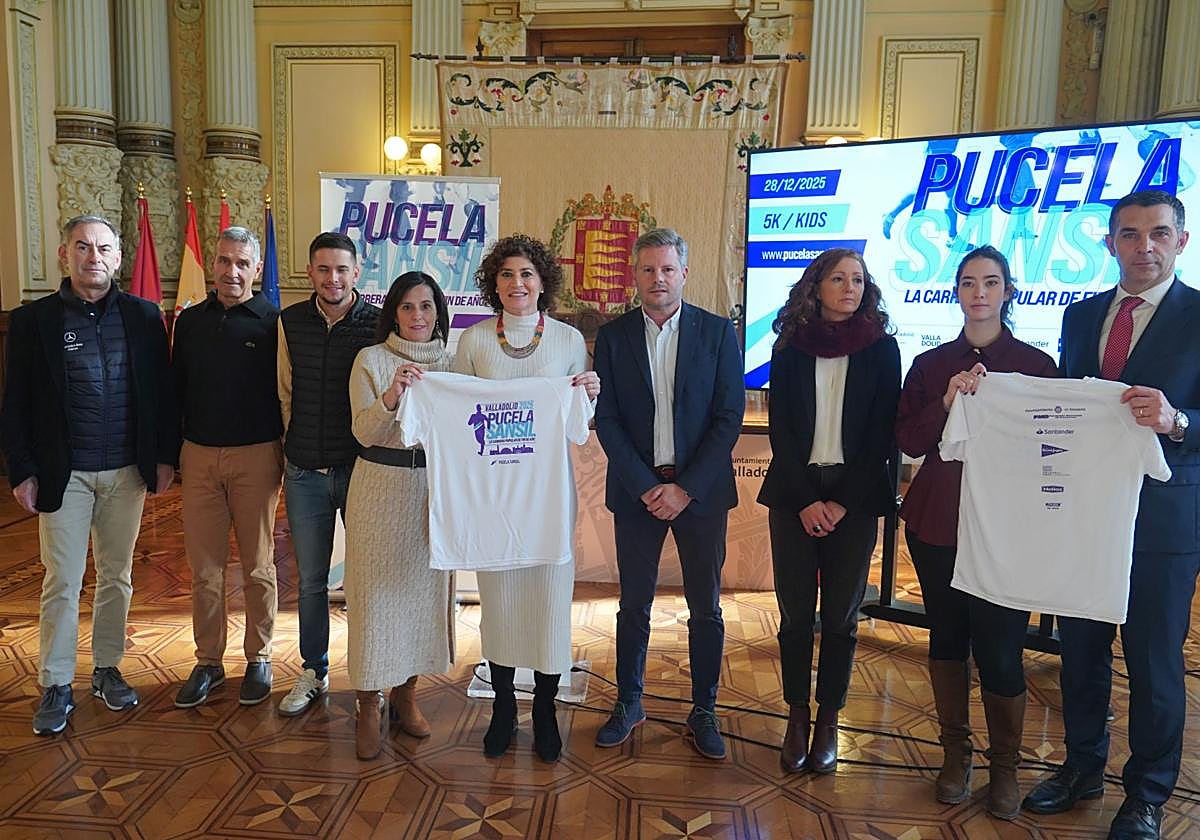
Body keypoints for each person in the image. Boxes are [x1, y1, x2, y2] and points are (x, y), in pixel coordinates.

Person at [1022, 190, 1199, 840]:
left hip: (1162, 523)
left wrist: (1179, 421)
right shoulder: (1080, 314)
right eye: (1129, 234)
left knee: (1154, 663)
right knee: (1082, 653)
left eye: (1158, 233)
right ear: (1110, 243)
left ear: (1180, 241)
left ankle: (1148, 795)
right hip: (1087, 515)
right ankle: (1081, 767)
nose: (1143, 246)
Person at [0, 215, 177, 735]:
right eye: (82, 247)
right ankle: (55, 683)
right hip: (65, 474)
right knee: (63, 580)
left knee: (117, 576)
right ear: (64, 254)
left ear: (118, 258)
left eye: (102, 248)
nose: (92, 256)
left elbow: (161, 397)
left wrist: (163, 456)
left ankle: (107, 668)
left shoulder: (146, 317)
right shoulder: (34, 322)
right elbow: (15, 405)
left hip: (126, 472)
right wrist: (23, 471)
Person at [896, 246, 1056, 817]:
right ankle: (955, 756)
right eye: (968, 283)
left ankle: (1005, 768)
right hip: (938, 520)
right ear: (956, 292)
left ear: (1008, 291)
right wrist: (945, 402)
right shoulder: (930, 364)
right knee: (947, 638)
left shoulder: (1036, 366)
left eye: (991, 283)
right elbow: (911, 441)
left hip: (1006, 529)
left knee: (1002, 647)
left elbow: (1051, 452)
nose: (979, 292)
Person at [593, 227, 744, 760]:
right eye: (648, 269)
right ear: (634, 276)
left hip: (700, 493)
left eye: (668, 269)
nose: (659, 278)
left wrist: (686, 489)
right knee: (633, 604)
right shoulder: (612, 339)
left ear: (685, 272)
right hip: (637, 493)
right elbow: (605, 419)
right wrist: (647, 486)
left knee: (706, 609)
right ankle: (629, 701)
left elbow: (730, 418)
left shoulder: (717, 332)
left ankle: (704, 709)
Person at [452, 234, 600, 763]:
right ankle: (503, 709)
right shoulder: (471, 342)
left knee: (548, 604)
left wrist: (588, 393)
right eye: (508, 274)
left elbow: (580, 429)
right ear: (494, 283)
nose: (518, 283)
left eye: (528, 274)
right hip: (493, 500)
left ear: (543, 283)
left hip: (547, 500)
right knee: (501, 606)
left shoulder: (566, 341)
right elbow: (454, 413)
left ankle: (543, 710)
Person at [755, 247, 900, 775]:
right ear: (816, 287)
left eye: (858, 279)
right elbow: (782, 432)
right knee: (796, 615)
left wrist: (840, 502)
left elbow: (883, 434)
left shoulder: (883, 350)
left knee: (840, 617)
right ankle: (796, 713)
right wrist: (807, 499)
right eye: (838, 278)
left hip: (855, 497)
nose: (850, 287)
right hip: (794, 491)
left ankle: (829, 718)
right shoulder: (790, 347)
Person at [172, 227, 284, 709]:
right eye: (223, 261)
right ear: (212, 265)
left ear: (257, 269)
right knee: (205, 569)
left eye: (242, 263)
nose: (231, 271)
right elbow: (173, 387)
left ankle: (259, 657)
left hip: (257, 455)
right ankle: (208, 662)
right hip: (198, 456)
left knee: (259, 566)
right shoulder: (190, 321)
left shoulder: (274, 322)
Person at [344, 271, 455, 760]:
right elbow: (364, 432)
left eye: (426, 307)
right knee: (373, 600)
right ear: (393, 312)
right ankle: (369, 702)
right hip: (378, 487)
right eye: (407, 307)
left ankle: (405, 695)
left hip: (431, 492)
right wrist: (391, 395)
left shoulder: (453, 363)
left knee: (418, 596)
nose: (417, 317)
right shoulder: (370, 360)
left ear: (438, 313)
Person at [277, 232, 380, 716]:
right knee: (312, 581)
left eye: (342, 269)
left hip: (362, 471)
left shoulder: (379, 324)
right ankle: (313, 670)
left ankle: (370, 673)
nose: (332, 278)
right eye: (323, 269)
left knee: (365, 579)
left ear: (356, 273)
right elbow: (285, 395)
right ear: (310, 272)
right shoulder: (290, 322)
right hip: (305, 473)